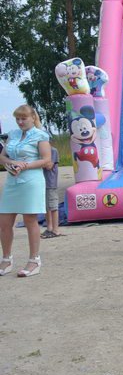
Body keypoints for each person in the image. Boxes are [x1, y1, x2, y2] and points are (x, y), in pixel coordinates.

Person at [0, 105, 52, 277]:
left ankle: (34, 261)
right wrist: (10, 162)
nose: (20, 122)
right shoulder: (13, 134)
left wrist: (25, 165)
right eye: (18, 119)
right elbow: (2, 156)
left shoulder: (41, 135)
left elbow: (46, 160)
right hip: (12, 182)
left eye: (24, 118)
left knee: (30, 220)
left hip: (31, 182)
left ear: (32, 117)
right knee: (4, 221)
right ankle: (6, 259)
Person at [41, 145, 62, 239]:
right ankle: (49, 227)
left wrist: (35, 162)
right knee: (46, 207)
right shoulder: (41, 151)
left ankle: (56, 230)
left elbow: (49, 166)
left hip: (50, 182)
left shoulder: (53, 150)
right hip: (42, 182)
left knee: (53, 206)